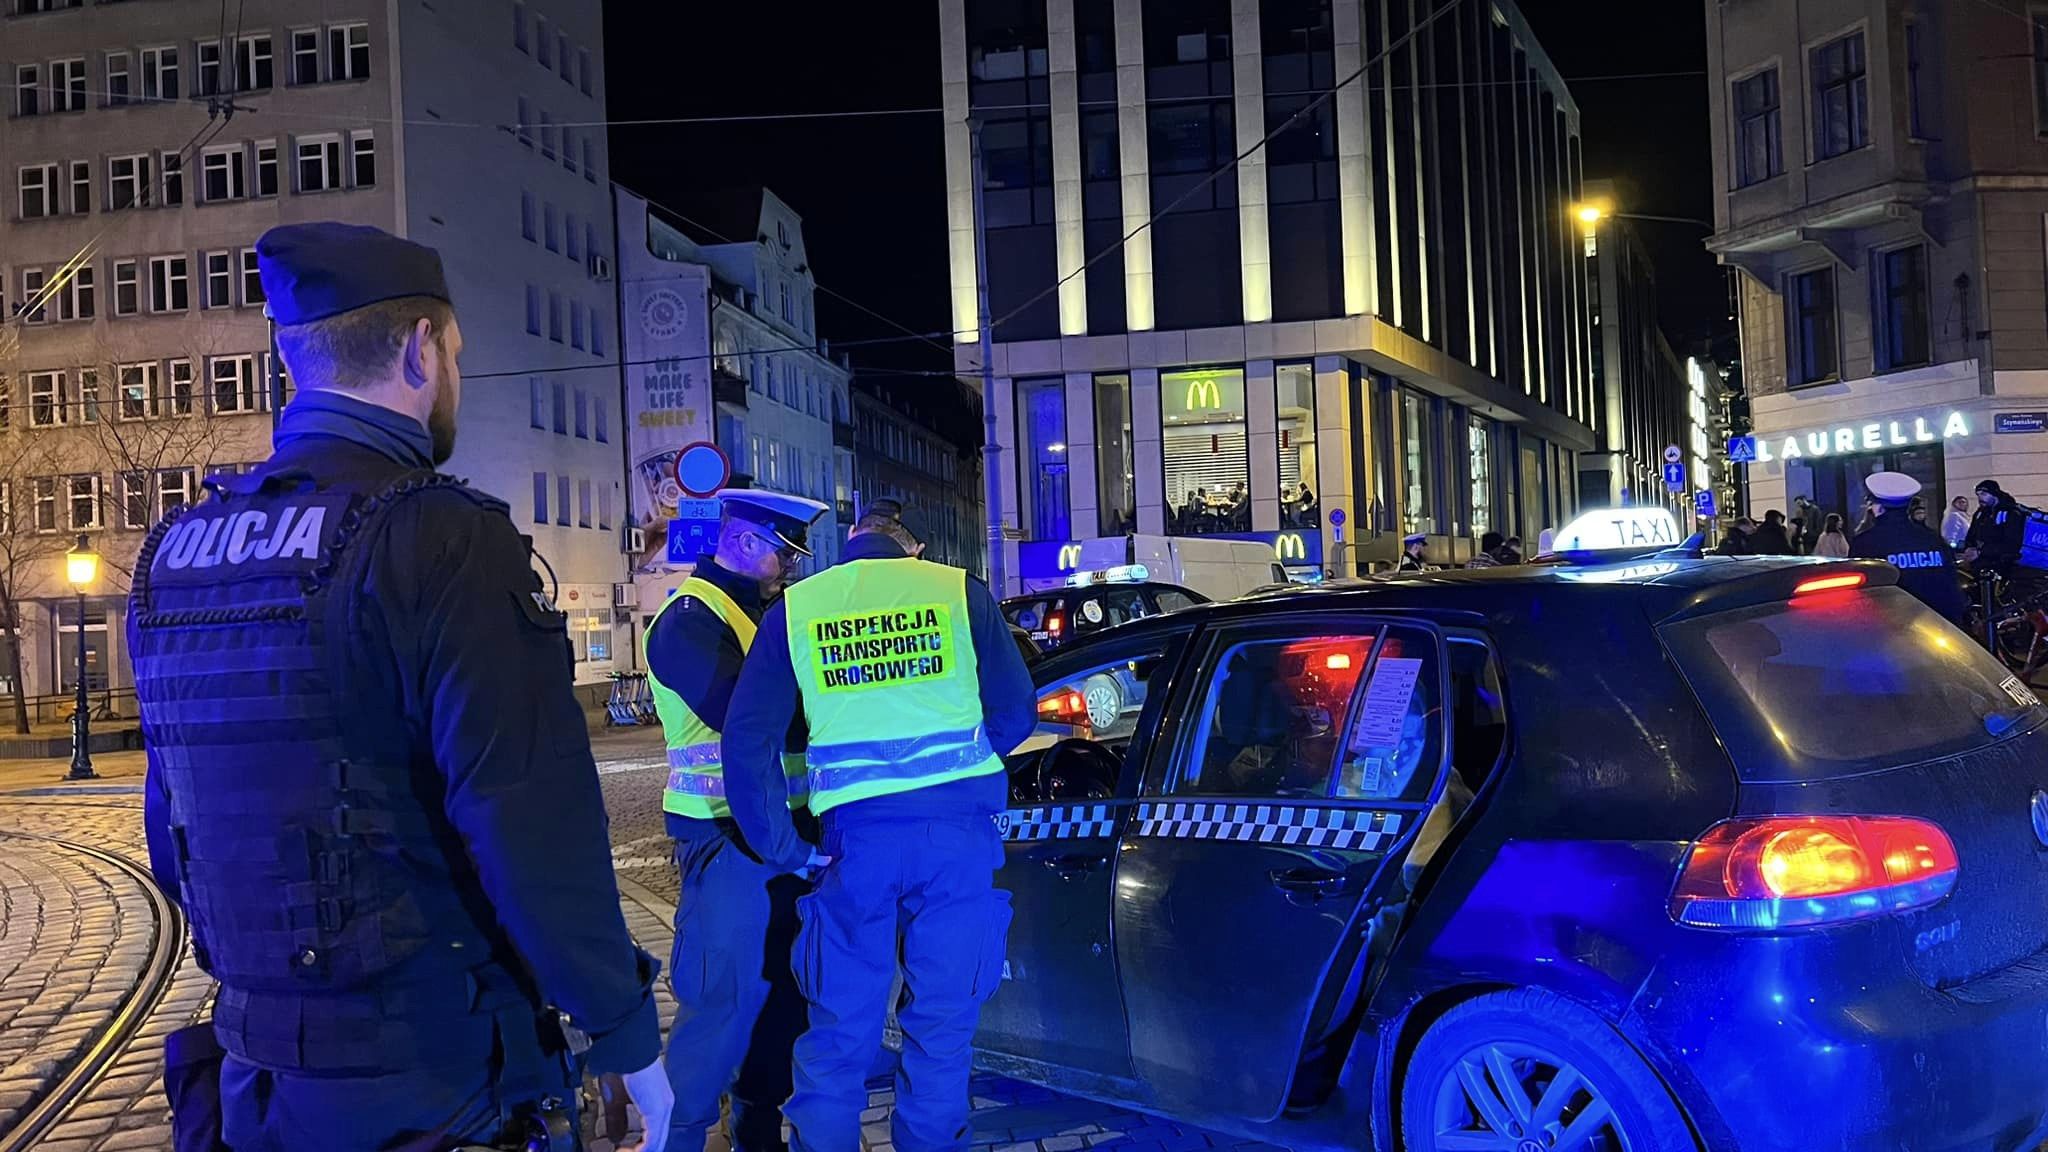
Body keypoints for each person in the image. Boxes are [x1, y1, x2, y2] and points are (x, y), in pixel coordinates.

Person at [130, 223, 669, 1152]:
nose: (455, 374)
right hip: (438, 1072)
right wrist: (622, 1031)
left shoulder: (174, 554)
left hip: (258, 1076)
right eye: (456, 354)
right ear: (423, 349)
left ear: (290, 358)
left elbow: (174, 833)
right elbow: (531, 827)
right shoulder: (442, 537)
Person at [718, 501, 1036, 1152]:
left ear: (852, 541)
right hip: (954, 841)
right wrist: (962, 767)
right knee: (941, 1028)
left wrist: (784, 848)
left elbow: (747, 741)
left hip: (852, 844)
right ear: (912, 548)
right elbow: (1016, 714)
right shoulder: (958, 591)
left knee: (837, 1032)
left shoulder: (799, 608)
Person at [642, 489, 827, 1151]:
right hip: (723, 840)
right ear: (745, 542)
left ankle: (757, 1133)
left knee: (781, 1003)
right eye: (784, 552)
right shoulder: (688, 621)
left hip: (781, 838)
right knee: (720, 1007)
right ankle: (679, 1137)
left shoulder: (761, 614)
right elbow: (750, 718)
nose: (790, 566)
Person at [1851, 472, 1968, 624]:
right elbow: (1952, 585)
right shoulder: (1932, 539)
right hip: (1939, 626)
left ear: (1878, 507)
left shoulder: (1865, 543)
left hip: (1892, 627)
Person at [1964, 479, 2027, 577]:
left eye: (1984, 494)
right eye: (1978, 494)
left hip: (2003, 565)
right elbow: (1971, 535)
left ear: (1994, 494)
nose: (1980, 498)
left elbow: (2012, 544)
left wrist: (1981, 552)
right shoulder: (1980, 514)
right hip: (1981, 562)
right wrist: (1968, 548)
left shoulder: (2010, 513)